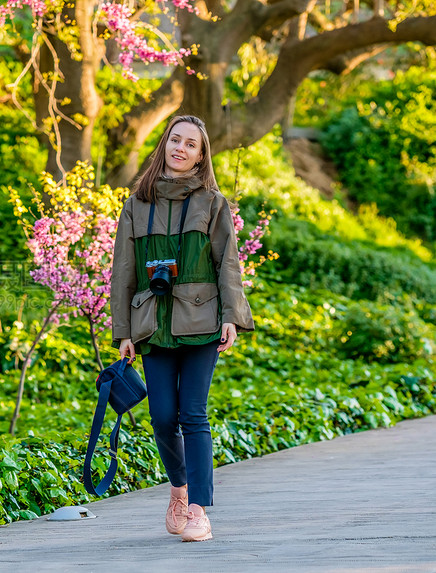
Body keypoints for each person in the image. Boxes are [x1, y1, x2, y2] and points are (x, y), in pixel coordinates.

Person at [109, 115, 254, 542]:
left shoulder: (212, 202)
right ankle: (178, 490)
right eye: (176, 140)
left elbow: (227, 262)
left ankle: (198, 511)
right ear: (164, 145)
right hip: (152, 323)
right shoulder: (136, 204)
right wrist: (123, 331)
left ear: (201, 155)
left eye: (191, 144)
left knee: (193, 414)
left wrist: (232, 315)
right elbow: (123, 270)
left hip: (202, 321)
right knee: (161, 416)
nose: (181, 148)